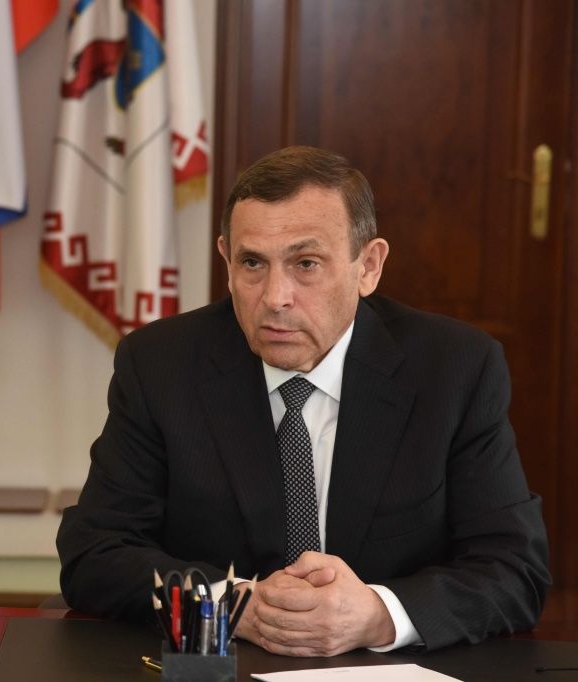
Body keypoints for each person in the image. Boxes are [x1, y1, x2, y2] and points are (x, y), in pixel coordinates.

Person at [56, 146, 551, 656]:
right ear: (226, 261)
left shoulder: (454, 370)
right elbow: (95, 551)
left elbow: (514, 569)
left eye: (306, 264)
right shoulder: (160, 365)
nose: (275, 297)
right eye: (253, 263)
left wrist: (377, 615)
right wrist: (235, 605)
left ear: (369, 266)